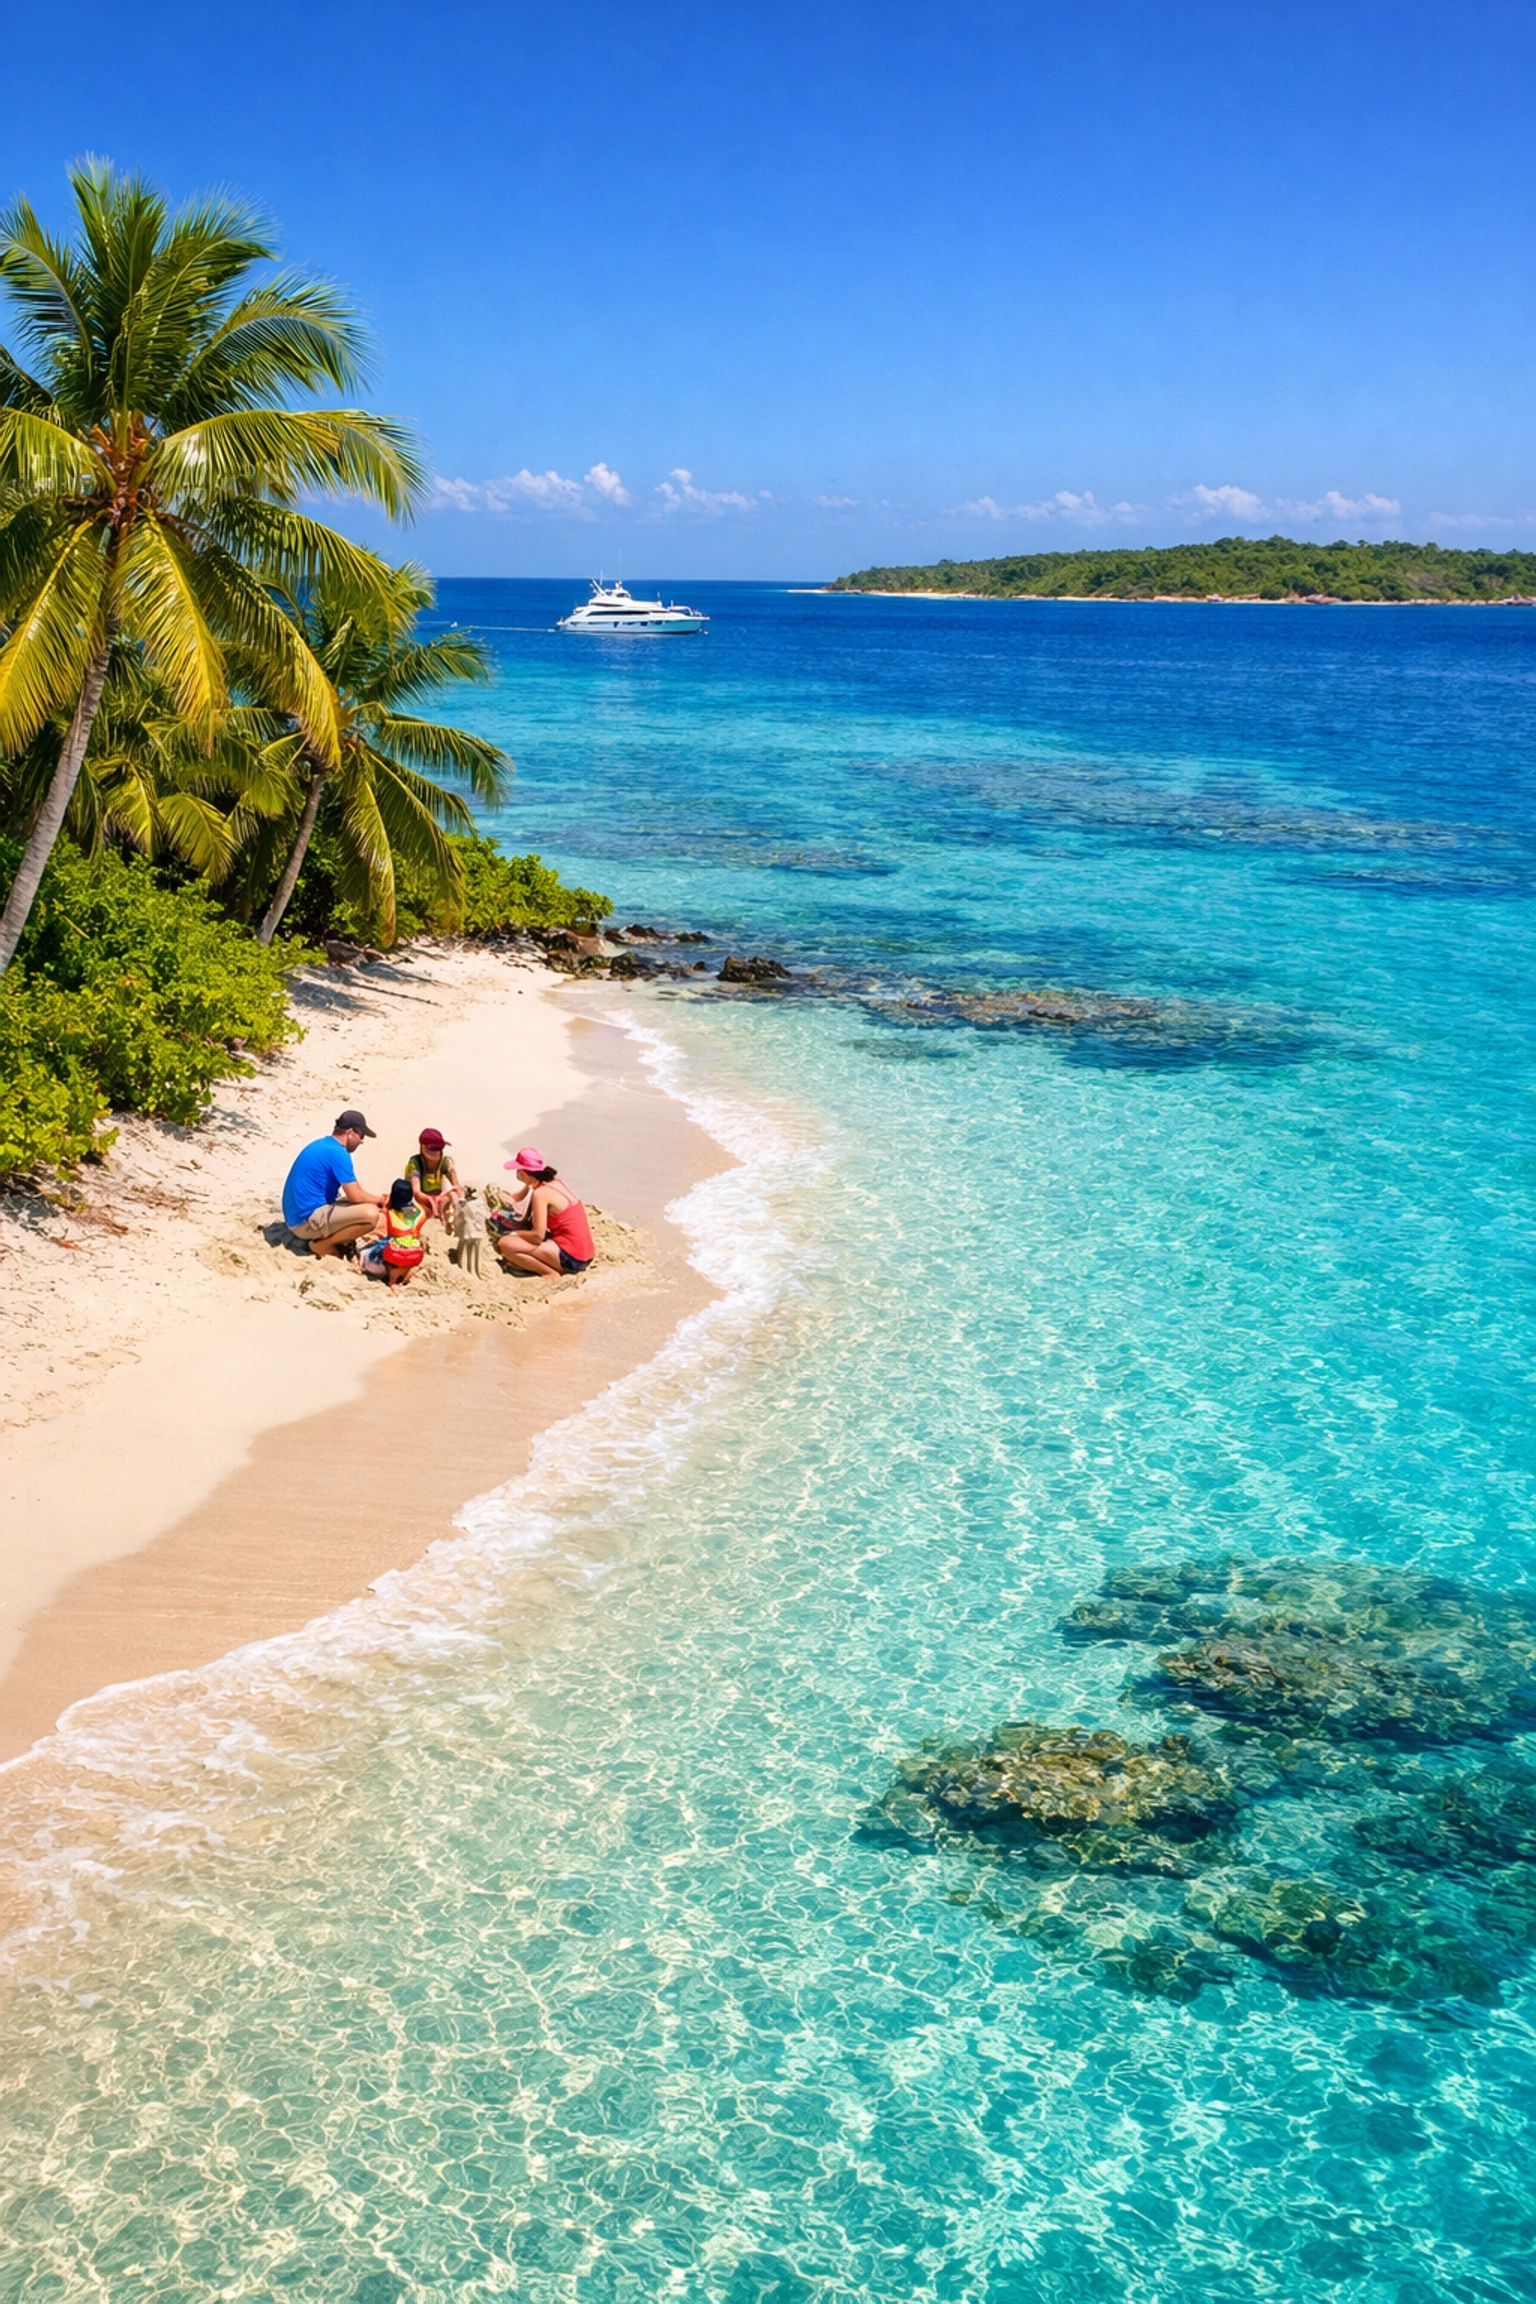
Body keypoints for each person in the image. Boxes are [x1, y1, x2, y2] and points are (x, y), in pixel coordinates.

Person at [281, 1110, 385, 1256]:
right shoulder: (339, 1153)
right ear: (351, 1132)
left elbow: (356, 1190)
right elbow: (355, 1195)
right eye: (361, 1135)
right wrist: (382, 1201)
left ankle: (331, 1239)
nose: (362, 1141)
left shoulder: (322, 1144)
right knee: (371, 1214)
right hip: (304, 1221)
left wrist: (378, 1201)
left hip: (296, 1215)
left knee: (366, 1205)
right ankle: (323, 1245)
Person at [493, 1147, 595, 1276]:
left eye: (518, 1170)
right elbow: (528, 1188)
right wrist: (524, 1189)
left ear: (523, 1173)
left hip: (572, 1259)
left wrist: (513, 1233)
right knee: (524, 1233)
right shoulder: (556, 1183)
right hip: (586, 1253)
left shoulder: (540, 1194)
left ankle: (549, 1273)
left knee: (505, 1243)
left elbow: (537, 1236)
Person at [404, 1128, 460, 1225]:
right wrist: (431, 1201)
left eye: (439, 1149)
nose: (436, 1153)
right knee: (419, 1215)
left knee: (454, 1201)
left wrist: (457, 1198)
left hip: (439, 1198)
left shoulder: (445, 1162)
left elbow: (456, 1186)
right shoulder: (415, 1163)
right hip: (420, 1201)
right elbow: (416, 1192)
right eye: (433, 1149)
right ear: (422, 1147)